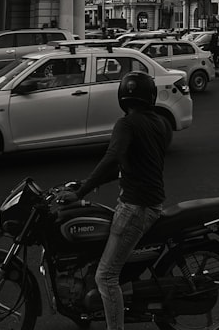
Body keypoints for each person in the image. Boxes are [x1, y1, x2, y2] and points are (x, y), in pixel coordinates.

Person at [58, 72, 173, 330]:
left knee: (106, 276)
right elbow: (127, 165)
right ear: (151, 96)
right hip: (148, 204)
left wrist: (80, 193)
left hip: (136, 207)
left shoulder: (127, 124)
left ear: (122, 96)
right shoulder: (158, 123)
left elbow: (113, 157)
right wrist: (88, 184)